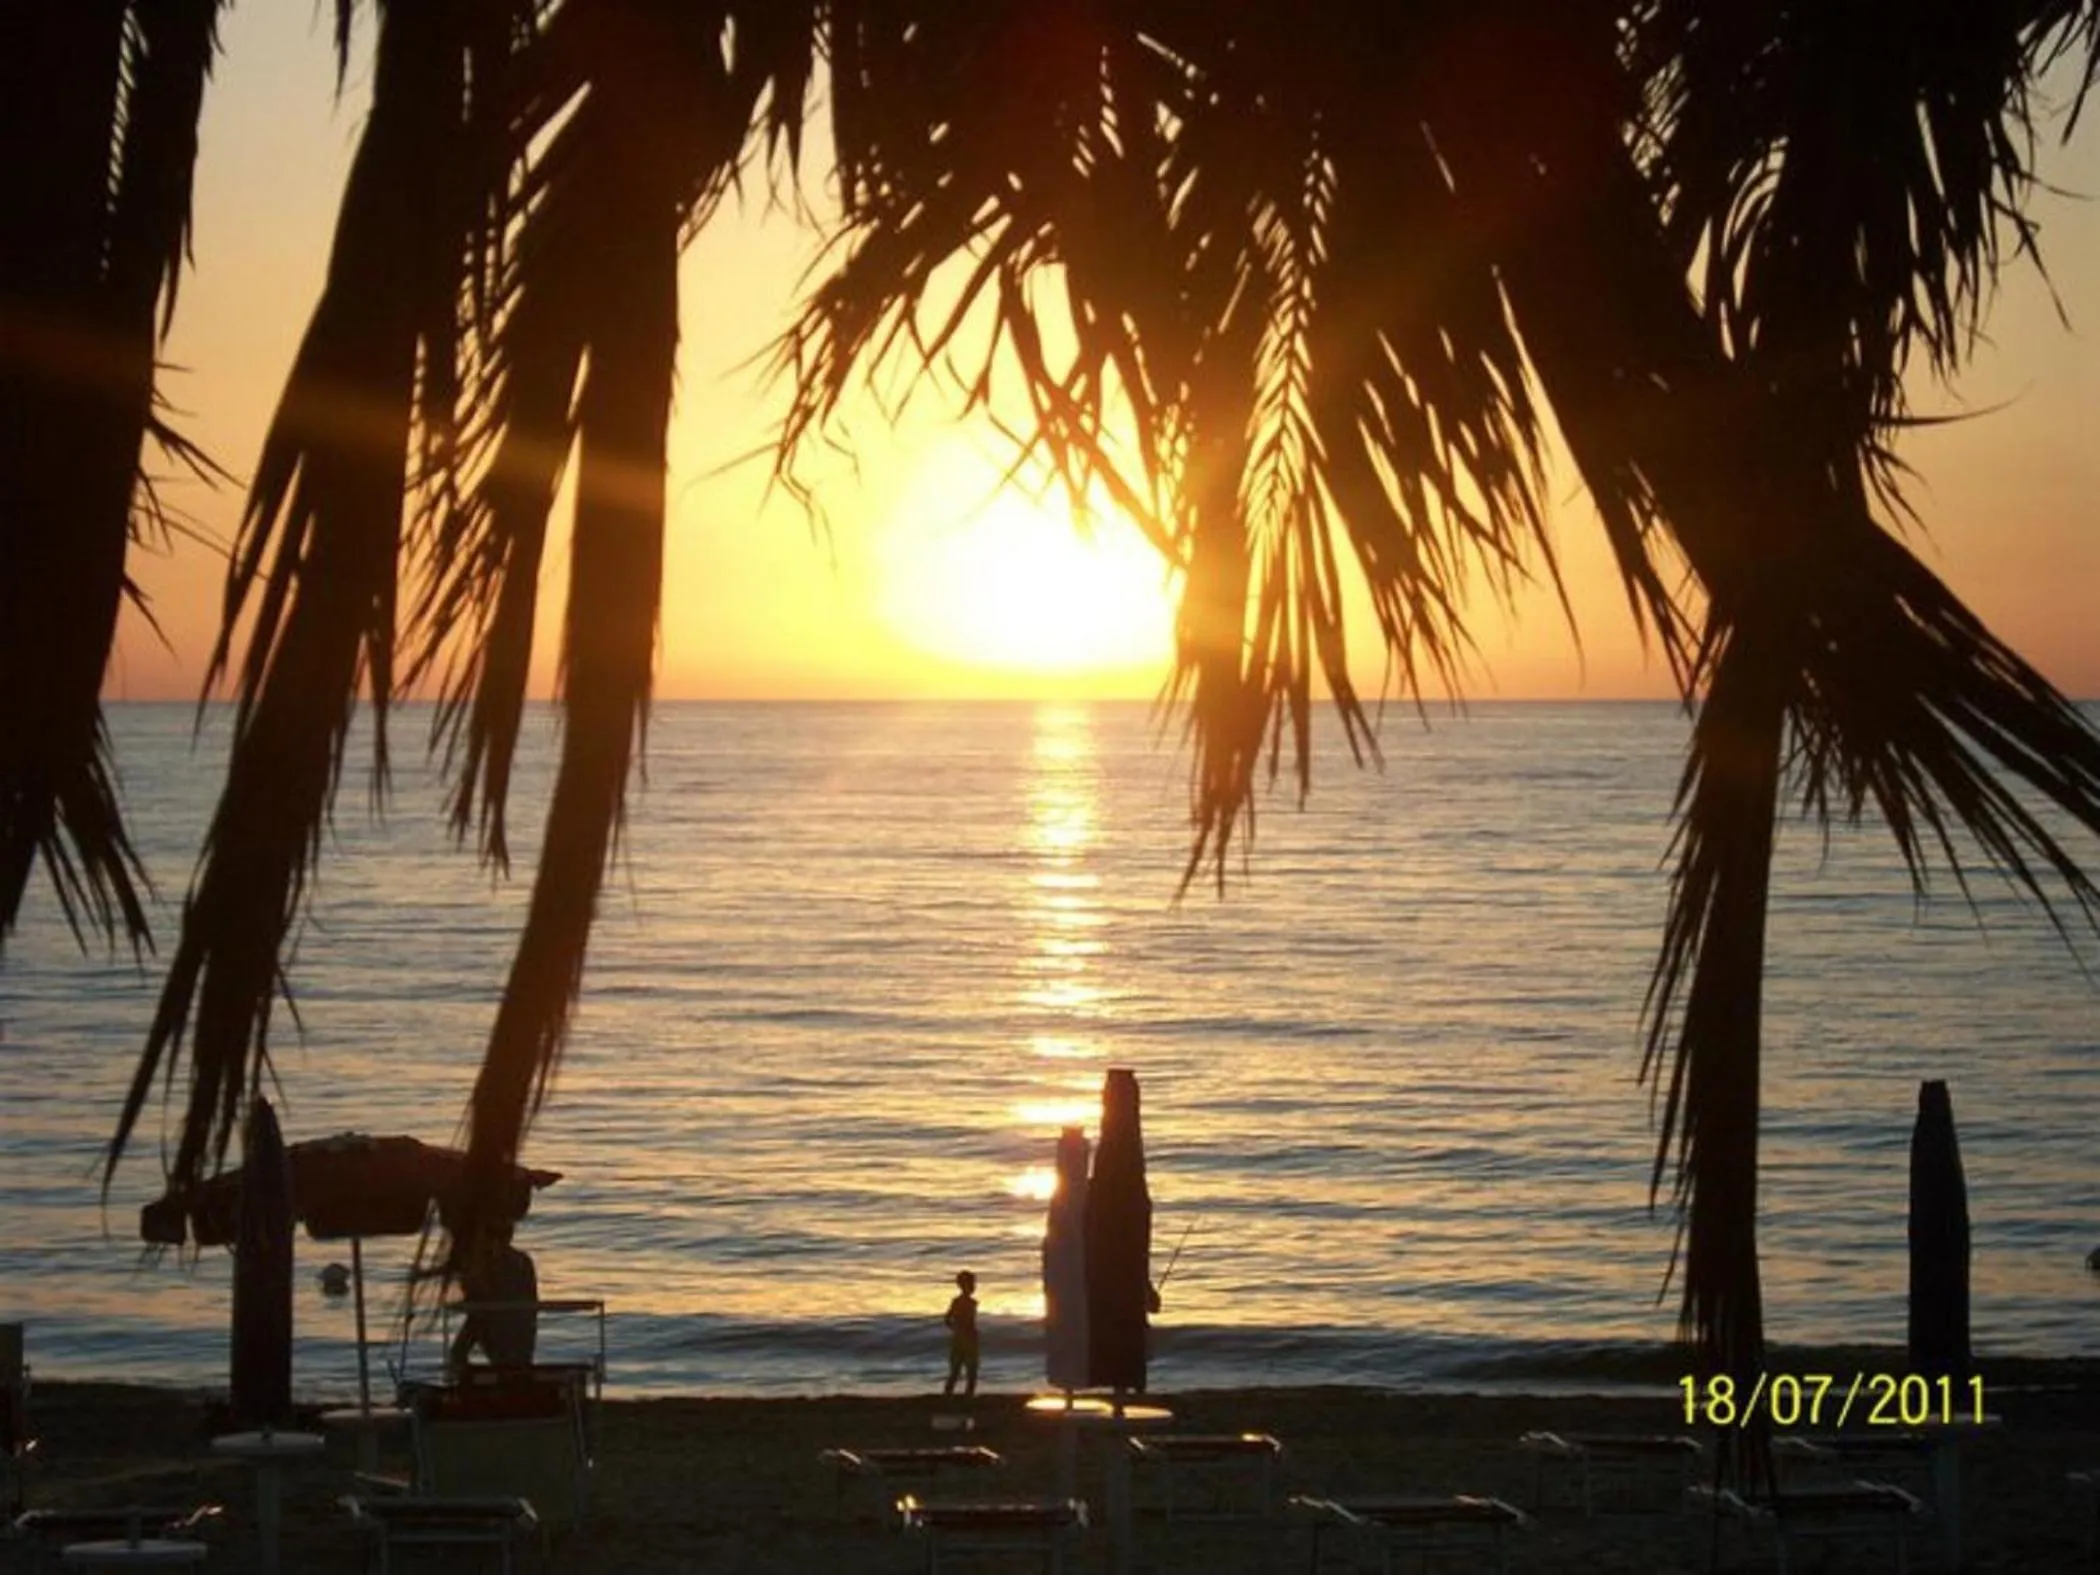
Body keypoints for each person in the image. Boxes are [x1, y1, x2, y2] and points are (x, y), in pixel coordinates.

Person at [447, 1218, 539, 1373]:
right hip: (519, 1322)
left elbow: (477, 1295)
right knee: (512, 1359)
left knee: (458, 1354)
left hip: (492, 1319)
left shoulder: (489, 1261)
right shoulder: (523, 1260)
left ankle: (469, 1381)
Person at [943, 1270, 980, 1398]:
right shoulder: (967, 1302)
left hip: (960, 1338)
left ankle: (949, 1396)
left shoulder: (960, 1301)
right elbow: (949, 1319)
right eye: (972, 1284)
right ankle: (966, 1397)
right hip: (967, 1339)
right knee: (970, 1371)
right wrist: (962, 1330)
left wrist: (956, 1329)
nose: (974, 1286)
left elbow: (947, 1320)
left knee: (956, 1371)